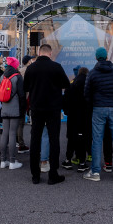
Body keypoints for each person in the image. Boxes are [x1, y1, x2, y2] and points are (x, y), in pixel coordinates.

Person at [83, 47, 113, 182]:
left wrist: (92, 107)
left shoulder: (92, 73)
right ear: (107, 57)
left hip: (98, 108)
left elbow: (87, 94)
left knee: (97, 140)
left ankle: (95, 172)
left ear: (97, 58)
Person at [25, 43, 70, 185]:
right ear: (50, 53)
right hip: (53, 109)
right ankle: (53, 175)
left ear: (39, 52)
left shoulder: (31, 68)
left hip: (36, 108)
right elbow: (66, 85)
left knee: (35, 140)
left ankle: (35, 175)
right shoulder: (56, 67)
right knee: (53, 140)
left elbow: (25, 87)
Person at [0, 57, 26, 170]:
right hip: (15, 109)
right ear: (15, 65)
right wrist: (23, 109)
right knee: (13, 134)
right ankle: (12, 161)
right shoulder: (17, 77)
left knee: (5, 134)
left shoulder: (2, 76)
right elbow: (22, 95)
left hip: (4, 108)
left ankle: (2, 160)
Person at [62, 66, 90, 172]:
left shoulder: (72, 83)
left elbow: (65, 99)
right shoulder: (88, 83)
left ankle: (68, 160)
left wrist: (66, 111)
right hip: (84, 116)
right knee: (82, 138)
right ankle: (82, 162)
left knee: (71, 138)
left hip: (72, 116)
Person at [16, 55, 36, 154]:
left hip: (20, 99)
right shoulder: (30, 70)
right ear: (28, 62)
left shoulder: (20, 70)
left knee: (18, 122)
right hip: (27, 98)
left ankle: (18, 141)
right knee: (22, 122)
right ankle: (21, 144)